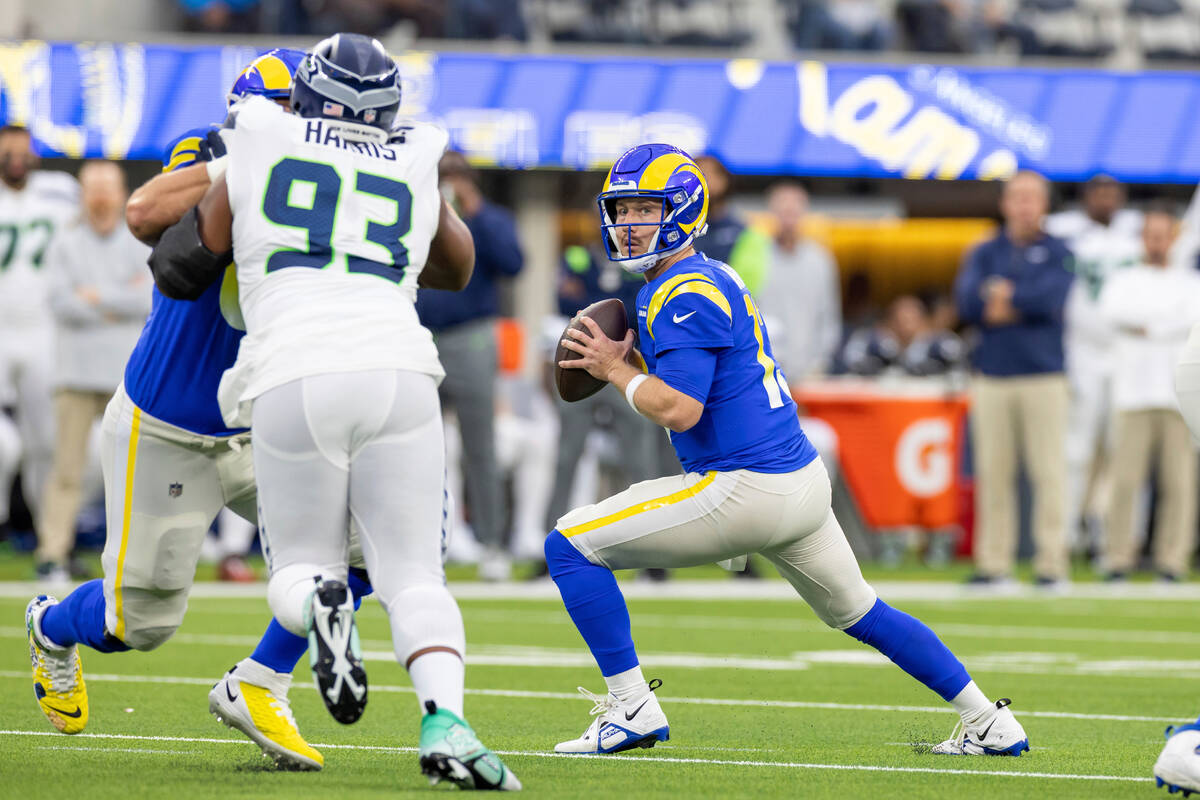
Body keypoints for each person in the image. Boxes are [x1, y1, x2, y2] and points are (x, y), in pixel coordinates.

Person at [546, 142, 1028, 758]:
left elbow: (680, 409)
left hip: (744, 485)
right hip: (797, 479)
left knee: (568, 545)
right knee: (864, 613)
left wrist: (616, 369)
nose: (629, 223)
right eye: (624, 210)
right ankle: (988, 720)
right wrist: (635, 365)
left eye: (645, 209)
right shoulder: (709, 276)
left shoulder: (681, 291)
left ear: (683, 210)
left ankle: (631, 707)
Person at [146, 33, 518, 790]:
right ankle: (446, 721)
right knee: (416, 576)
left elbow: (184, 257)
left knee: (308, 563)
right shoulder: (413, 152)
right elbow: (460, 262)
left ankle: (321, 603)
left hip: (294, 369)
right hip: (401, 366)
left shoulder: (259, 133)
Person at [22, 49, 348, 773]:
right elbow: (154, 226)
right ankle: (51, 627)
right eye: (301, 113)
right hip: (171, 420)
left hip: (263, 420)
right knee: (136, 622)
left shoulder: (346, 181)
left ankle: (259, 682)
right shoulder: (211, 154)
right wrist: (246, 167)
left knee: (363, 543)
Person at [955, 171, 1074, 589]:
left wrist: (1006, 298)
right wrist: (1018, 301)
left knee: (1048, 472)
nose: (1024, 205)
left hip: (1044, 375)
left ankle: (1052, 565)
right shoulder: (985, 251)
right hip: (993, 375)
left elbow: (1050, 300)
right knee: (993, 473)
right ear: (1005, 203)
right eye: (1017, 197)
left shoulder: (1059, 250)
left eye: (1032, 198)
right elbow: (968, 302)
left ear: (1044, 204)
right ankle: (994, 564)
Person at [36, 161, 151, 583]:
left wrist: (96, 297)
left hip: (126, 374)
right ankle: (52, 554)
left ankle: (134, 558)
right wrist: (116, 300)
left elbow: (147, 300)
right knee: (65, 470)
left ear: (122, 193)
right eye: (93, 190)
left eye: (108, 189)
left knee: (135, 472)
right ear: (83, 194)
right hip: (75, 372)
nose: (101, 199)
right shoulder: (64, 240)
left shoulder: (139, 239)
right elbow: (61, 302)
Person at [415, 151, 524, 581]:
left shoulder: (487, 217)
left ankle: (493, 543)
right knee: (415, 447)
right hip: (420, 335)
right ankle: (427, 542)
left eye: (457, 176)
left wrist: (473, 209)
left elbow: (514, 262)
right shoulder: (414, 210)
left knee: (482, 447)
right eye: (443, 175)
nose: (449, 183)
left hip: (472, 335)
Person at [1099, 206, 1200, 582]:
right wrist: (1164, 324)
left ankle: (1172, 561)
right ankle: (1117, 558)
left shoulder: (1190, 281)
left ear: (1174, 238)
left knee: (1179, 485)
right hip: (1132, 393)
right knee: (1125, 482)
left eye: (1164, 235)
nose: (1157, 243)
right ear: (1143, 238)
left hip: (1179, 397)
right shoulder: (1123, 279)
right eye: (1151, 235)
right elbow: (1112, 313)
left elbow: (1191, 320)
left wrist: (1146, 325)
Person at [1045, 175, 1142, 560]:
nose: (1105, 200)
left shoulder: (1135, 229)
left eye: (1112, 194)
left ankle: (1115, 538)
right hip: (1079, 349)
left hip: (1127, 350)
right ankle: (1066, 534)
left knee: (1122, 450)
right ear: (1085, 198)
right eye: (1098, 193)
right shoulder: (1063, 229)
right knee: (1075, 449)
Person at [0, 126, 81, 562]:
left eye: (21, 150)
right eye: (7, 150)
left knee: (47, 443)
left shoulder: (57, 194)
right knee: (5, 443)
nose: (15, 158)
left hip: (42, 329)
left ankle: (46, 534)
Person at [754, 181, 842, 381]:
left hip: (811, 373)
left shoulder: (820, 260)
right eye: (783, 212)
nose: (788, 219)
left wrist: (820, 362)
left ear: (804, 214)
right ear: (772, 214)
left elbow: (829, 316)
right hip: (763, 373)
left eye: (794, 212)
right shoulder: (755, 257)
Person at [692, 154, 768, 293]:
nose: (706, 180)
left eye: (711, 173)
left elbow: (745, 287)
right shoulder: (673, 230)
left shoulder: (746, 233)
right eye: (699, 174)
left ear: (726, 180)